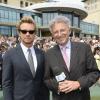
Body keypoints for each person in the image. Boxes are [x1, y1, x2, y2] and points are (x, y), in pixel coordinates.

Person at [44, 15, 100, 100]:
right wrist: (57, 86)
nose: (59, 34)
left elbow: (94, 73)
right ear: (52, 35)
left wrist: (78, 83)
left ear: (69, 30)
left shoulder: (84, 48)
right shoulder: (49, 54)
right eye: (56, 32)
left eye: (62, 30)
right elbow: (47, 78)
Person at [2, 16, 49, 100]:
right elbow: (7, 84)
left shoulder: (42, 54)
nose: (27, 34)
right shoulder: (9, 55)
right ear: (19, 33)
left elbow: (44, 80)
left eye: (31, 31)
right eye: (24, 31)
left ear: (35, 34)